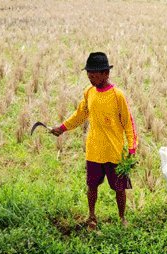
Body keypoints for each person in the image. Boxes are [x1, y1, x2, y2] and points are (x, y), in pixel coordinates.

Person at [50, 52, 138, 228]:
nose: (90, 78)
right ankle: (91, 217)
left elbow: (129, 124)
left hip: (115, 152)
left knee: (119, 188)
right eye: (88, 74)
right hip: (94, 150)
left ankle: (122, 218)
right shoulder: (89, 92)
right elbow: (80, 115)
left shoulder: (117, 95)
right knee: (92, 186)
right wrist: (63, 127)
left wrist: (131, 150)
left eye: (94, 74)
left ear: (106, 73)